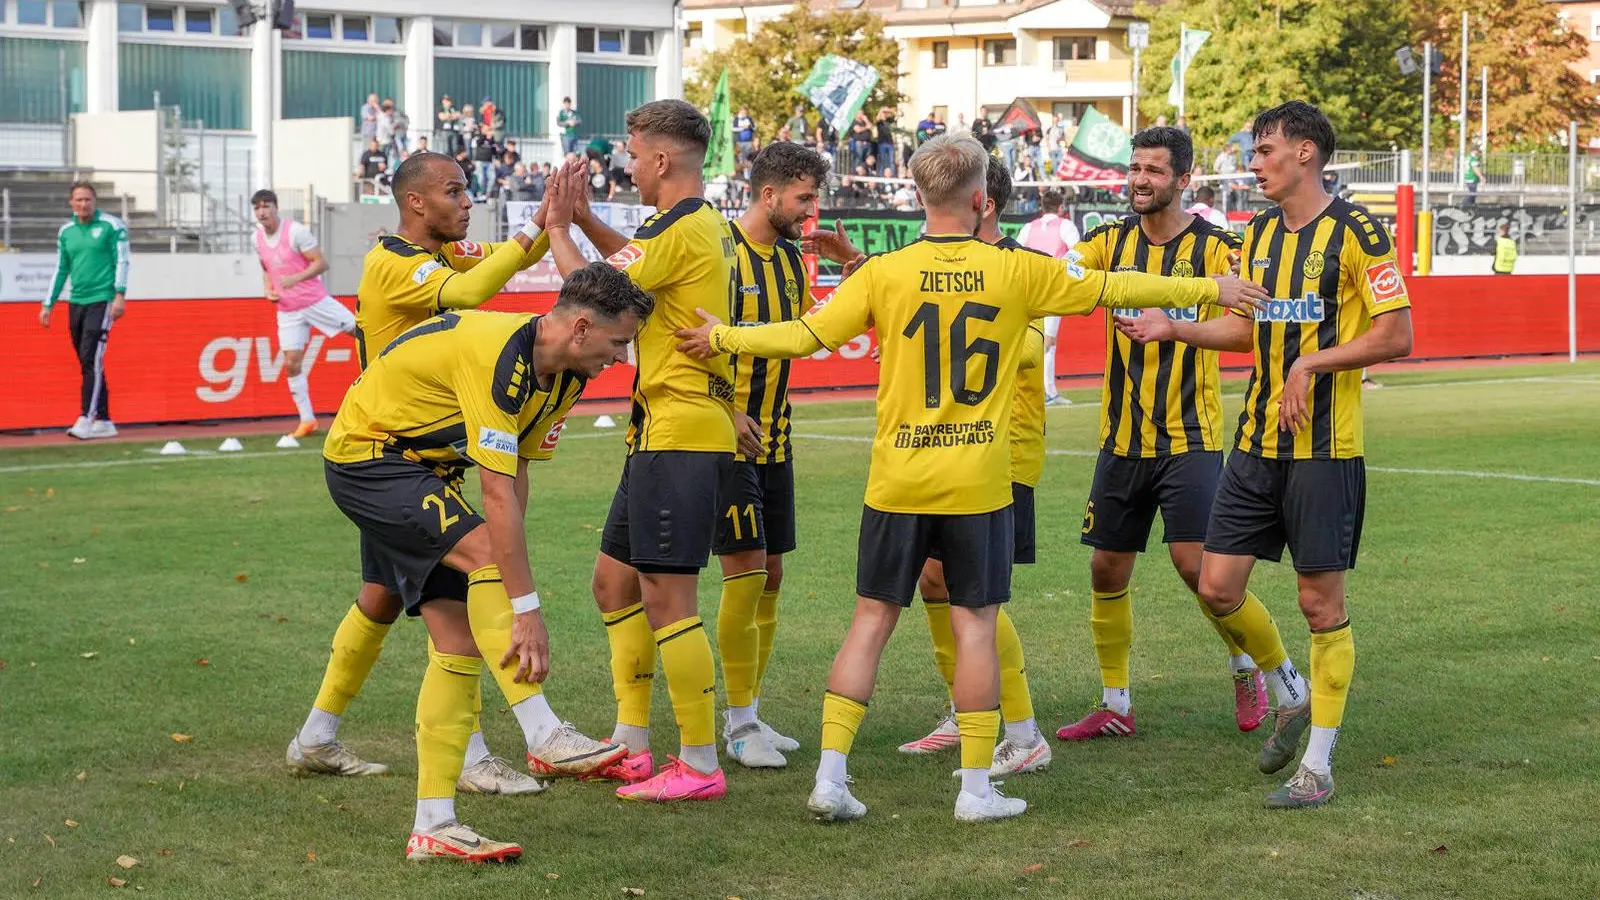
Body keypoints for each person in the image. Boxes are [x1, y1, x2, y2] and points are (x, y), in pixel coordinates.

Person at [675, 132, 1270, 824]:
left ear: (920, 195)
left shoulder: (883, 274)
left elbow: (805, 336)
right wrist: (1210, 286)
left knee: (870, 622)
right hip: (978, 483)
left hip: (897, 478)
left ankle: (831, 779)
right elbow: (1115, 286)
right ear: (982, 198)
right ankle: (975, 789)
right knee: (978, 628)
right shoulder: (1016, 272)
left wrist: (722, 337)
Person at [288, 154, 625, 795]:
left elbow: (506, 259)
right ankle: (537, 735)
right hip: (384, 451)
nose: (467, 200)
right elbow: (475, 292)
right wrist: (541, 226)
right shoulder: (395, 263)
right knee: (480, 560)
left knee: (394, 601)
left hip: (419, 458)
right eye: (454, 190)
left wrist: (549, 218)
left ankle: (318, 736)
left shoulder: (443, 259)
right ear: (416, 203)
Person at [1118, 100, 1413, 809]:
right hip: (1254, 442)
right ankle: (1292, 691)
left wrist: (1310, 367)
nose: (1253, 165)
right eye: (1254, 153)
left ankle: (1316, 768)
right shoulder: (1255, 237)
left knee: (1319, 603)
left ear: (1305, 154)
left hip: (1324, 448)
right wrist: (1173, 327)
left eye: (1264, 151)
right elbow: (1246, 331)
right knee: (1216, 585)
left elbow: (1397, 335)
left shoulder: (1358, 232)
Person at [322, 264, 651, 861]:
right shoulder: (503, 357)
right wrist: (524, 607)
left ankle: (434, 825)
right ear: (580, 328)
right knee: (482, 554)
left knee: (457, 644)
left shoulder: (565, 377)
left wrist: (506, 567)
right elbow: (494, 496)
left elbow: (514, 480)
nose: (622, 357)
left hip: (425, 473)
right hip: (369, 459)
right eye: (618, 342)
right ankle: (542, 730)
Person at [543, 99, 740, 803]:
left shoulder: (685, 228)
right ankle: (630, 744)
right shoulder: (692, 223)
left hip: (680, 433)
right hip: (663, 430)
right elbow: (627, 265)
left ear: (660, 159)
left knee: (668, 599)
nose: (625, 165)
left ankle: (699, 763)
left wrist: (561, 225)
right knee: (614, 583)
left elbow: (586, 299)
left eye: (631, 152)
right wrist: (586, 221)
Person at [1053, 126, 1268, 745]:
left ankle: (1247, 665)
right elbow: (1063, 284)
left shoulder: (1217, 249)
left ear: (1183, 180)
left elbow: (1246, 331)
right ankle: (1115, 702)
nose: (1139, 180)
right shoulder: (1106, 242)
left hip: (1188, 436)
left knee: (1197, 569)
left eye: (1153, 171)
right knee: (1105, 568)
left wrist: (1176, 328)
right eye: (1135, 168)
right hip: (1120, 438)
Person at [866, 156, 1050, 777]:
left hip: (1003, 455)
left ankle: (1021, 731)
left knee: (978, 600)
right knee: (938, 584)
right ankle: (968, 709)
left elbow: (1029, 347)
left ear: (982, 205)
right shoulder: (939, 266)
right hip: (946, 456)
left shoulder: (1020, 270)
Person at [705, 142, 830, 770]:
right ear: (768, 194)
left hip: (776, 437)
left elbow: (808, 329)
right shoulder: (719, 252)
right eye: (804, 198)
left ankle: (750, 710)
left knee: (772, 573)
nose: (812, 210)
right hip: (727, 439)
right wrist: (728, 411)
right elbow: (685, 342)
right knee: (747, 568)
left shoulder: (788, 258)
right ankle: (736, 724)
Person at [251, 189, 355, 439]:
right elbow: (266, 267)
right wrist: (268, 289)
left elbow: (320, 263)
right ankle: (307, 420)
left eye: (266, 206)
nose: (262, 212)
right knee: (291, 362)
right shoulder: (256, 238)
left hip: (314, 300)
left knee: (360, 331)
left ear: (276, 208)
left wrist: (295, 278)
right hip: (287, 309)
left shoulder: (295, 231)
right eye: (257, 208)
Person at [41, 181, 129, 439]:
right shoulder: (66, 231)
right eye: (78, 200)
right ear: (71, 203)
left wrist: (119, 295)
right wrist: (49, 303)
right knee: (87, 361)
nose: (83, 204)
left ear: (95, 201)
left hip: (102, 300)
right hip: (76, 301)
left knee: (92, 358)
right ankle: (104, 419)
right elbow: (61, 268)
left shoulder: (111, 226)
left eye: (87, 200)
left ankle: (86, 417)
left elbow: (123, 260)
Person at [1016, 188, 1080, 408]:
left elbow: (1016, 254)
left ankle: (1043, 390)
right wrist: (1060, 272)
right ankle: (1047, 392)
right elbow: (1079, 252)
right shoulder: (1065, 226)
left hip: (1028, 289)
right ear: (1061, 208)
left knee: (1032, 339)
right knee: (1047, 341)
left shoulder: (1028, 227)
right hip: (1051, 289)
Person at [874, 107, 896, 174]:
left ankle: (892, 176)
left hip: (890, 143)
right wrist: (882, 110)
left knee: (891, 161)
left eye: (885, 114)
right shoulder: (879, 122)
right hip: (882, 143)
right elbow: (877, 118)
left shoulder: (889, 120)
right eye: (883, 114)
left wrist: (890, 110)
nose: (885, 115)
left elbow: (896, 115)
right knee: (882, 160)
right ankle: (881, 175)